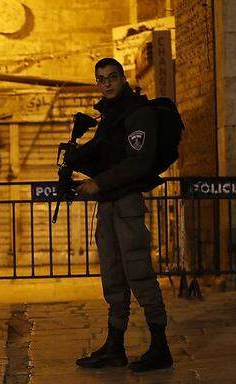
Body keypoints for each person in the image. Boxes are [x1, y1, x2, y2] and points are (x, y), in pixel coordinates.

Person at [68, 58, 173, 372]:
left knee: (139, 273)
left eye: (113, 77)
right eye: (101, 79)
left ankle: (160, 346)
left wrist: (99, 182)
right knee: (112, 276)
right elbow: (105, 155)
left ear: (123, 78)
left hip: (127, 205)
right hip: (108, 205)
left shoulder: (137, 113)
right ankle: (115, 345)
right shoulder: (109, 117)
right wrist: (75, 158)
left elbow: (137, 162)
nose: (108, 83)